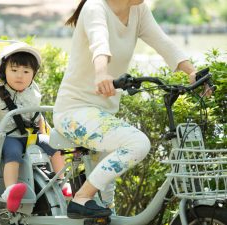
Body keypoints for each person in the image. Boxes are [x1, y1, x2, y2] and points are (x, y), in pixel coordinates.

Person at [53, 0, 212, 219]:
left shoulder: (138, 10)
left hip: (102, 115)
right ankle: (80, 199)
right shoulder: (95, 7)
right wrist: (101, 73)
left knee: (106, 207)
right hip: (74, 111)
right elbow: (99, 43)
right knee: (137, 142)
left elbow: (162, 42)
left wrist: (191, 72)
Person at [0, 42, 71, 213]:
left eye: (26, 72)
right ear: (3, 72)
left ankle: (62, 182)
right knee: (13, 155)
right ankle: (11, 191)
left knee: (55, 146)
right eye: (14, 70)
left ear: (33, 75)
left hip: (31, 136)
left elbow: (37, 118)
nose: (19, 76)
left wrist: (44, 134)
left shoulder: (33, 91)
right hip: (9, 136)